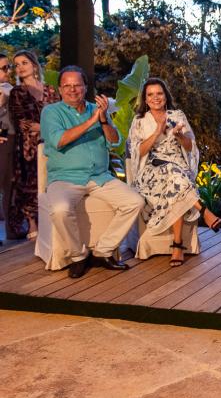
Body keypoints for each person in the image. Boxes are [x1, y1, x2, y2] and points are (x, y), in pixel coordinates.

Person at [40, 65, 144, 278]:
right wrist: (91, 121)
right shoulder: (51, 112)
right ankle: (78, 256)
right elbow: (59, 140)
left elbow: (114, 141)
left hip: (99, 177)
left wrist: (103, 119)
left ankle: (102, 252)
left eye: (77, 85)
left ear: (85, 87)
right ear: (60, 89)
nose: (72, 89)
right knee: (59, 209)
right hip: (65, 178)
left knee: (135, 201)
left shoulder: (96, 110)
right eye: (67, 86)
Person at [128, 78, 221, 266]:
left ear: (166, 96)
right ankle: (203, 213)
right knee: (175, 175)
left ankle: (178, 245)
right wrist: (157, 132)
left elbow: (189, 147)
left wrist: (179, 135)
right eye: (150, 95)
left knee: (175, 177)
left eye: (159, 93)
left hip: (178, 167)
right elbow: (138, 152)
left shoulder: (177, 116)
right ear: (145, 99)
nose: (156, 98)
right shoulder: (140, 121)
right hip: (152, 170)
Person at [8, 50, 60, 240]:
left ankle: (52, 219)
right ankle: (32, 223)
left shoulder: (50, 90)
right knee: (29, 183)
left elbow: (59, 117)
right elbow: (23, 123)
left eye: (24, 63)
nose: (20, 67)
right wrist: (44, 128)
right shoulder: (17, 92)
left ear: (34, 65)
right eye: (17, 65)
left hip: (52, 144)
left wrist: (44, 128)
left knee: (51, 181)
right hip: (28, 146)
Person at [0, 53, 15, 233]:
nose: (8, 71)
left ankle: (12, 228)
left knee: (10, 185)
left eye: (8, 67)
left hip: (12, 138)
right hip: (3, 139)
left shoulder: (9, 88)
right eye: (4, 68)